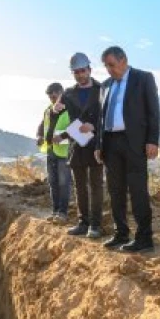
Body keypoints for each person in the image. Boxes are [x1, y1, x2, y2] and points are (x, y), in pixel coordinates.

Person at [95, 46, 160, 252]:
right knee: (115, 191)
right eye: (106, 66)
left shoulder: (143, 78)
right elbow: (101, 118)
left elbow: (154, 111)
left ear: (124, 60)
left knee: (137, 190)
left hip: (134, 142)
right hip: (110, 143)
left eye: (112, 65)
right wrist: (99, 144)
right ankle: (120, 233)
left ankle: (144, 237)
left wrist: (152, 140)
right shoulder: (105, 86)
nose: (109, 70)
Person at [56, 52, 105, 239]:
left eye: (82, 71)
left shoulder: (102, 89)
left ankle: (95, 225)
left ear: (89, 70)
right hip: (77, 144)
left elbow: (107, 117)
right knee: (80, 186)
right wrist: (56, 107)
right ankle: (83, 222)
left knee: (96, 185)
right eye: (75, 72)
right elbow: (58, 110)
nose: (79, 74)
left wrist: (93, 126)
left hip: (96, 144)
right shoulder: (68, 94)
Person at [36, 82, 72, 221]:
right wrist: (39, 136)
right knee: (53, 182)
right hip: (51, 150)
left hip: (64, 152)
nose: (52, 97)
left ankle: (63, 213)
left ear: (61, 93)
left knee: (64, 183)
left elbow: (77, 128)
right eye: (49, 95)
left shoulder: (69, 109)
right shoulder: (48, 110)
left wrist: (63, 136)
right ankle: (55, 211)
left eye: (54, 94)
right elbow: (41, 125)